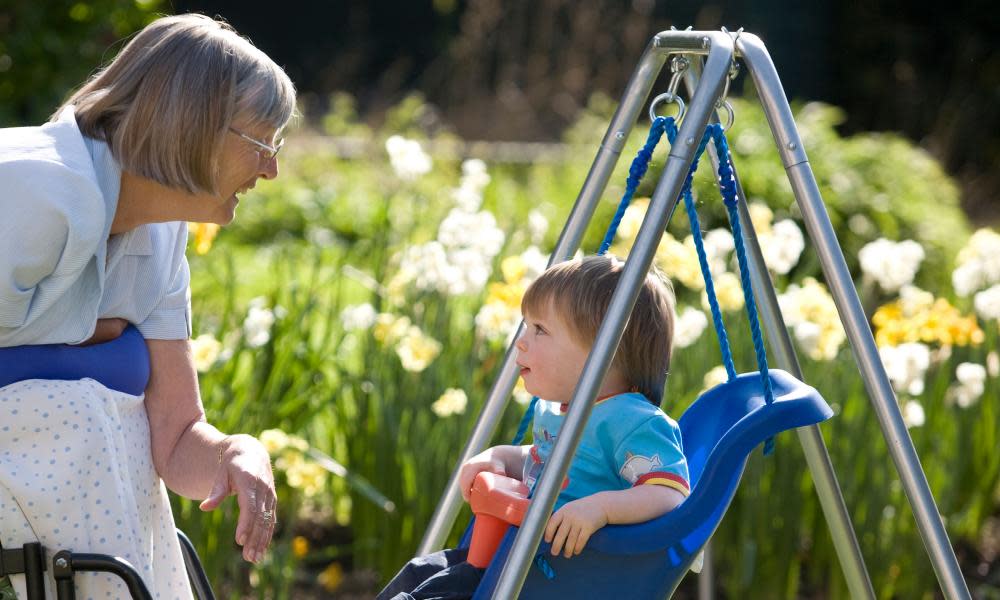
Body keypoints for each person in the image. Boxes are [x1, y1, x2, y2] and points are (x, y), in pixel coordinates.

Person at [0, 14, 295, 598]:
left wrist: (238, 452)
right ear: (193, 124)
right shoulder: (32, 189)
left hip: (86, 556)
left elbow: (177, 434)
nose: (272, 169)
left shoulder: (162, 237)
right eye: (263, 143)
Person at [378, 255, 689, 600]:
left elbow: (670, 494)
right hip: (507, 558)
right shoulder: (558, 411)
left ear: (606, 349)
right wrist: (501, 458)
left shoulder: (634, 420)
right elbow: (545, 457)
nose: (521, 341)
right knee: (417, 575)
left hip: (560, 578)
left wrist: (599, 509)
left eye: (540, 329)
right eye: (527, 326)